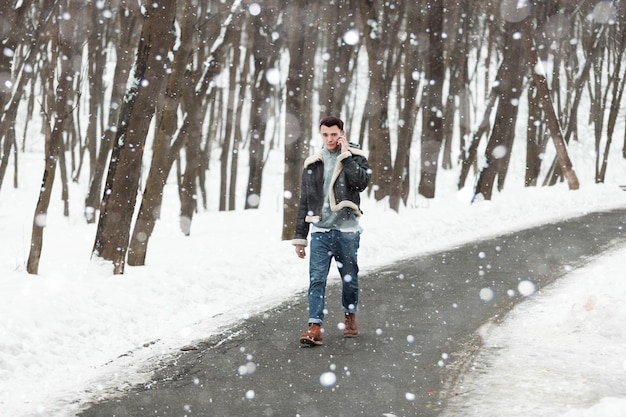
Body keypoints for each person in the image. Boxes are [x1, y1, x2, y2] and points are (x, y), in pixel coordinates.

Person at [292, 116, 371, 346]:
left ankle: (349, 316)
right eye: (325, 134)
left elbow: (361, 182)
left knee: (349, 279)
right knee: (316, 279)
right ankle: (314, 327)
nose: (329, 139)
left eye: (334, 134)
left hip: (347, 230)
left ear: (342, 133)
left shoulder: (356, 157)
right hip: (321, 231)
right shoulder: (313, 163)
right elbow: (304, 202)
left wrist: (346, 156)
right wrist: (300, 237)